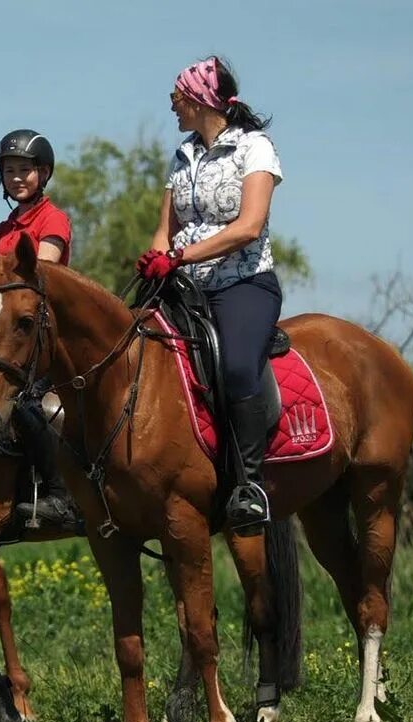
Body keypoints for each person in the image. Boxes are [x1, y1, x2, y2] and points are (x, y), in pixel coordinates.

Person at [136, 56, 283, 534]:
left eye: (177, 96)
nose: (172, 105)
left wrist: (183, 255)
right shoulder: (182, 155)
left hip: (243, 282)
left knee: (238, 365)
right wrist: (157, 260)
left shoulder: (255, 148)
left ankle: (248, 485)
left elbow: (249, 226)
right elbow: (165, 229)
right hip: (183, 286)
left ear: (200, 100)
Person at [0, 129, 78, 533]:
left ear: (43, 173)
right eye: (9, 171)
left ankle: (59, 494)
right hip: (8, 335)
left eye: (25, 170)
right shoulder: (4, 228)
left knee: (29, 402)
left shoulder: (53, 219)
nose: (17, 178)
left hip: (41, 338)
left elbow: (37, 276)